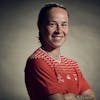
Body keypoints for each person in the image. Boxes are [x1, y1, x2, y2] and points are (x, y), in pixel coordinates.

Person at [25, 3, 96, 100]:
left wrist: (69, 97)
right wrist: (80, 97)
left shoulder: (72, 64)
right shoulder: (38, 61)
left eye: (64, 24)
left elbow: (92, 97)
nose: (59, 30)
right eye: (52, 24)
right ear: (40, 26)